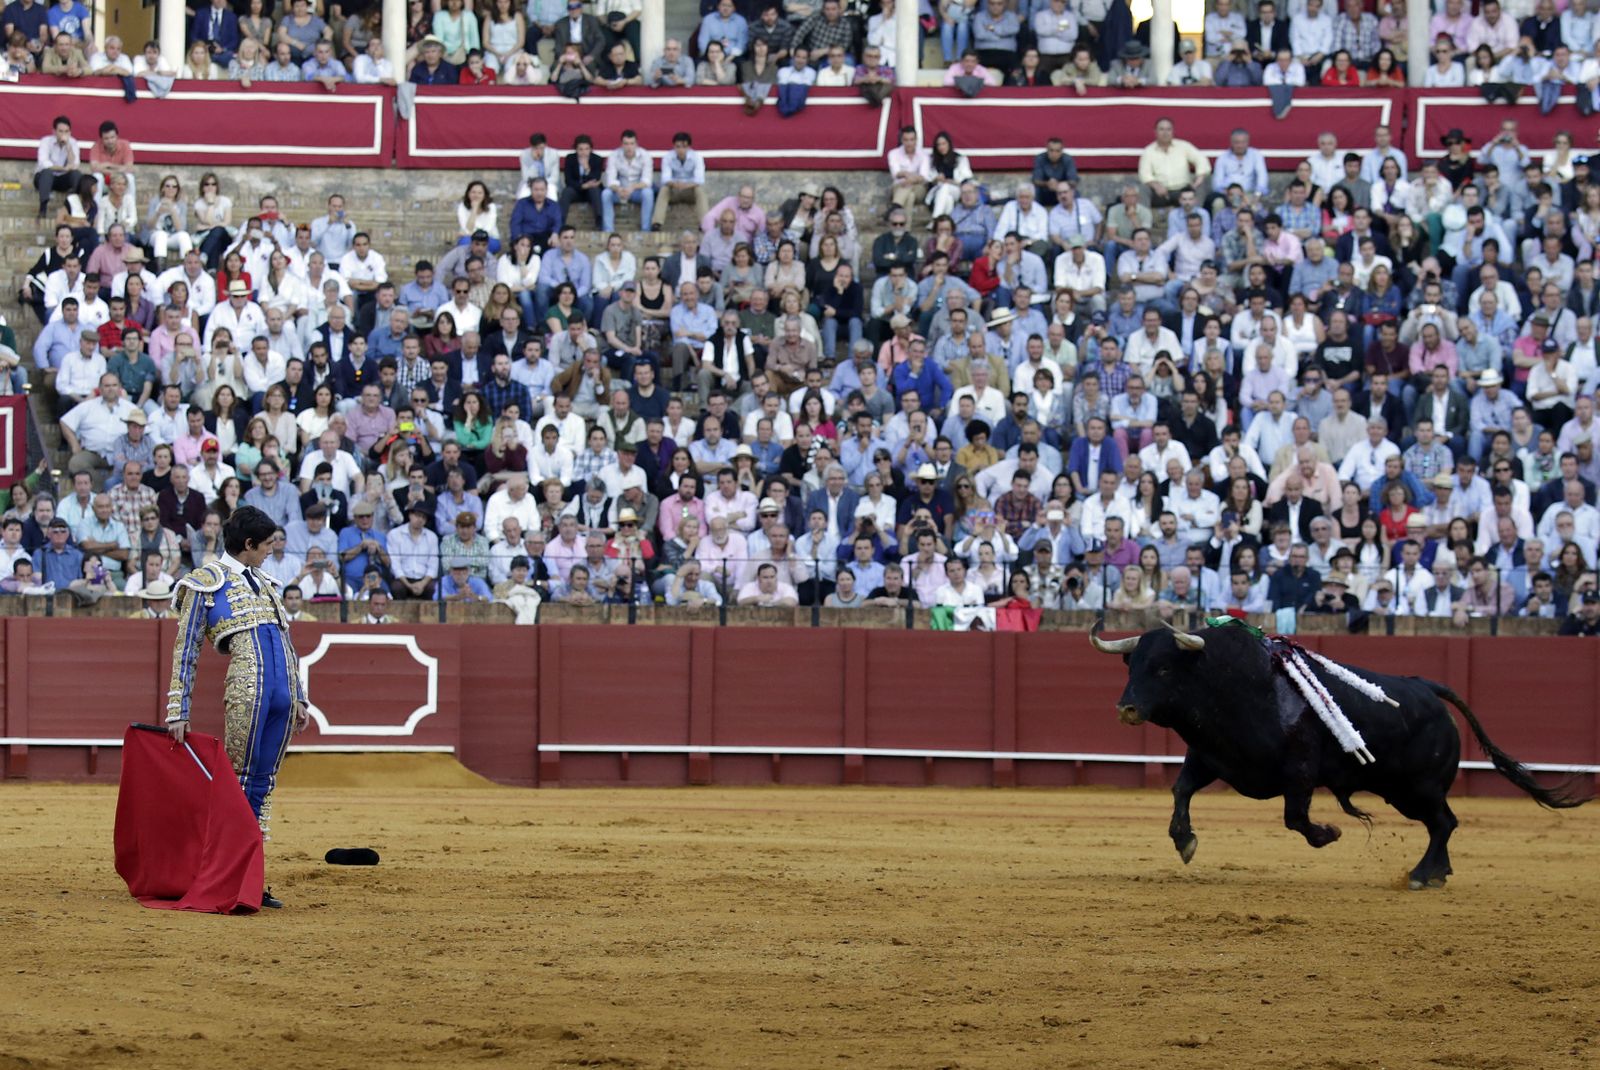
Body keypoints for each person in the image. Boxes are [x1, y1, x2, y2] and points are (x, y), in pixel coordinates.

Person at [165, 506, 308, 910]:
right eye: (266, 547)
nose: (269, 553)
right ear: (248, 545)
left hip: (280, 697)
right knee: (241, 785)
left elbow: (286, 643)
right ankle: (232, 878)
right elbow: (185, 650)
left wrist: (299, 694)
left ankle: (253, 880)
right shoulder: (205, 583)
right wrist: (177, 708)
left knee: (264, 786)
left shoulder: (267, 583)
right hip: (250, 693)